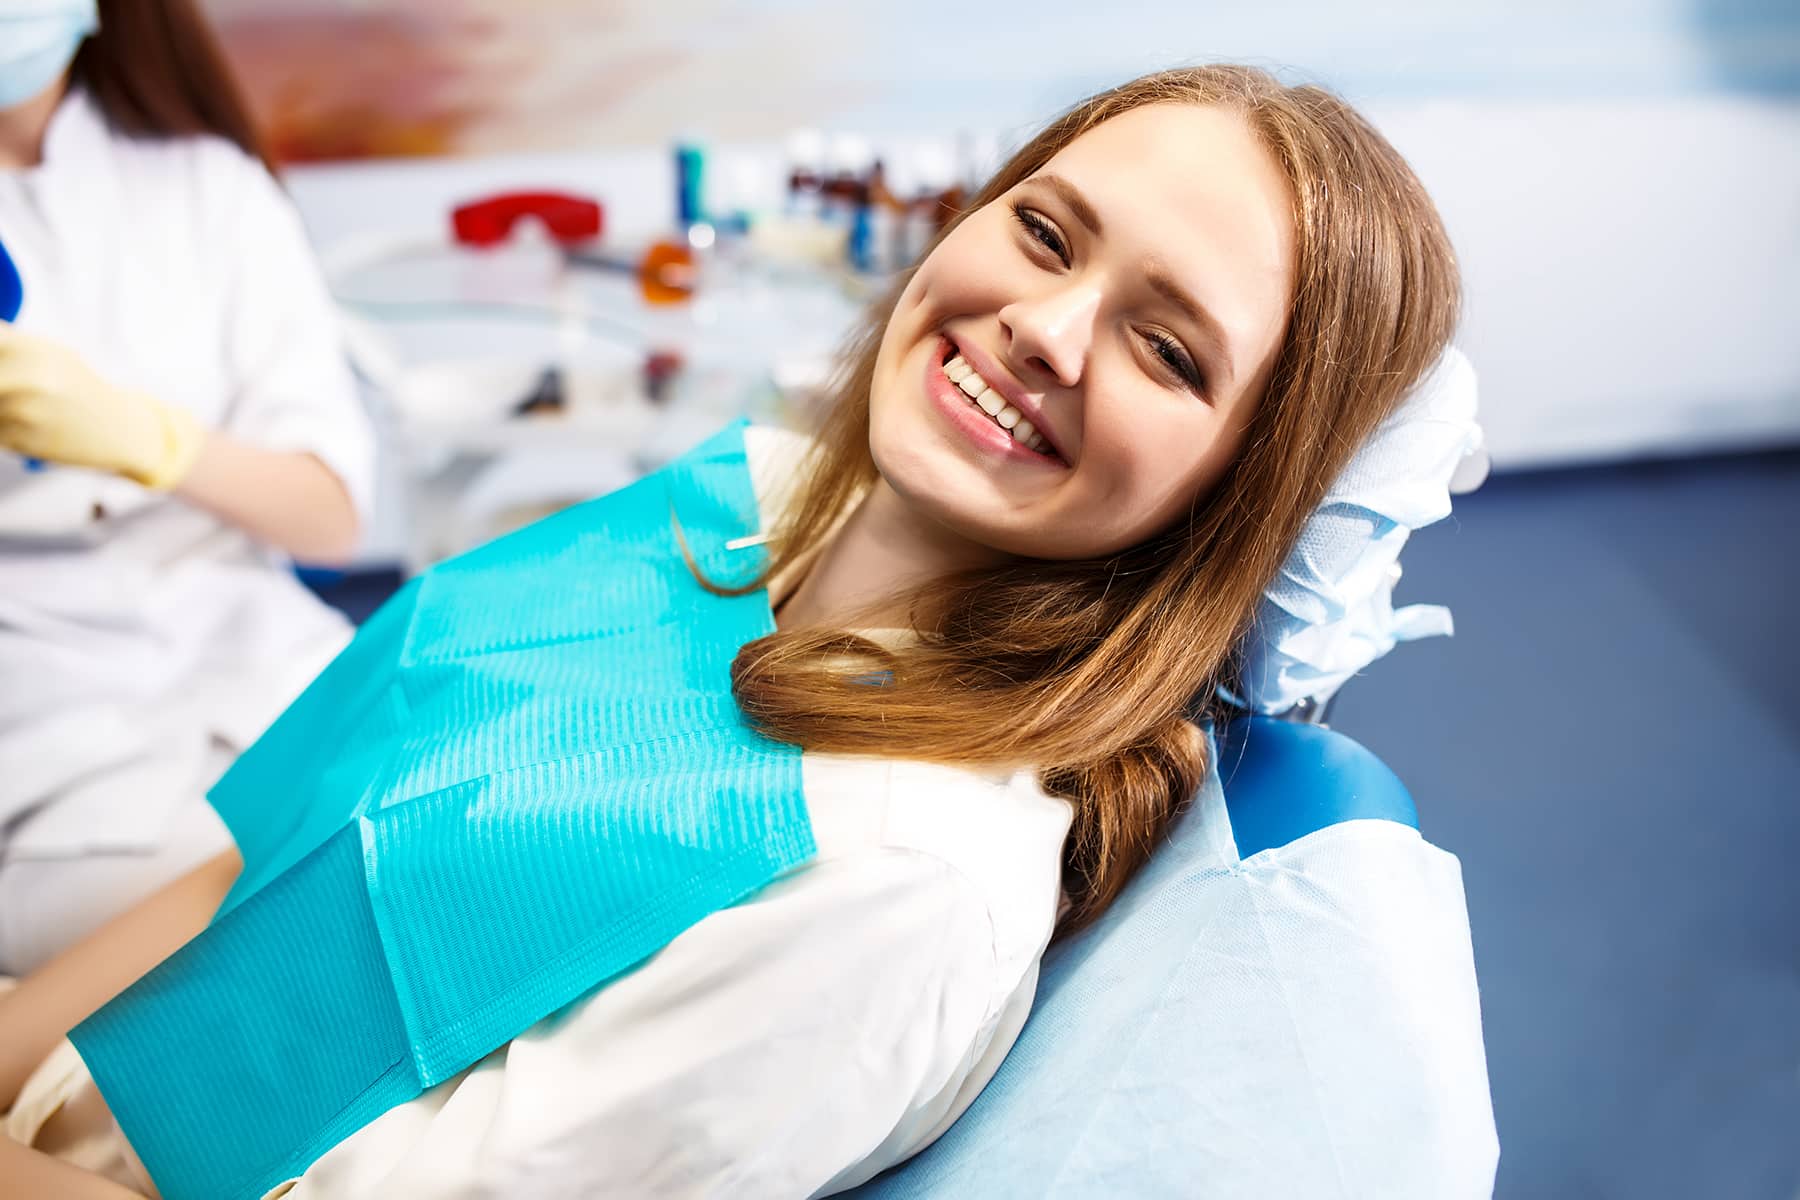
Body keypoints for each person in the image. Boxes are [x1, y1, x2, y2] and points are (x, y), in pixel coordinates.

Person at [0, 64, 1493, 1199]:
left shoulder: (901, 885)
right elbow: (263, 857)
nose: (1047, 326)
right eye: (1045, 231)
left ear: (1247, 491)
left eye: (1167, 346)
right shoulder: (741, 501)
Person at [0, 0, 374, 975]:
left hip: (275, 674)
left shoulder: (210, 187)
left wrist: (154, 442)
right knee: (294, 913)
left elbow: (329, 512)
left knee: (457, 824)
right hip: (47, 760)